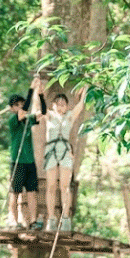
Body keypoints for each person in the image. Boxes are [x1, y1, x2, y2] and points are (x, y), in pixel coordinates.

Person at [39, 84, 86, 232]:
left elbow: (81, 104)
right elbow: (41, 107)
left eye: (63, 104)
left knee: (65, 186)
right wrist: (40, 93)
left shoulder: (70, 116)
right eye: (57, 104)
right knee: (51, 186)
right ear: (53, 106)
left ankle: (65, 218)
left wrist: (84, 89)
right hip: (51, 150)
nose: (60, 107)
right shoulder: (49, 116)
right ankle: (51, 219)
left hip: (65, 151)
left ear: (66, 106)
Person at [5, 81, 45, 229]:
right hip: (17, 161)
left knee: (32, 192)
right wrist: (31, 89)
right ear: (12, 108)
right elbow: (25, 111)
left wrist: (40, 94)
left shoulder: (29, 120)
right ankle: (14, 221)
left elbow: (44, 112)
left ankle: (33, 221)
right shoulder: (13, 120)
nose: (20, 107)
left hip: (30, 161)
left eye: (21, 104)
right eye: (17, 105)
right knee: (14, 193)